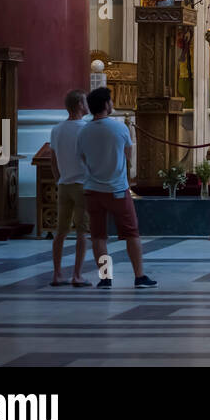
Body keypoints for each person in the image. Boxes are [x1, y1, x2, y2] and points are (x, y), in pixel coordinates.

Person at [78, 87, 156, 289]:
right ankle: (139, 276)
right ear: (106, 104)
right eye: (110, 101)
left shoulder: (84, 130)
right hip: (117, 189)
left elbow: (83, 158)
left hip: (93, 190)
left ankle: (105, 278)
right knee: (131, 233)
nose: (112, 104)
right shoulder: (119, 128)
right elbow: (128, 155)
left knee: (98, 236)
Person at [48, 89, 92, 287]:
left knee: (61, 232)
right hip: (82, 184)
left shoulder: (57, 129)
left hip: (64, 185)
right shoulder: (86, 129)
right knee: (82, 232)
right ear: (80, 106)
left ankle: (57, 274)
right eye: (85, 102)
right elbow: (89, 158)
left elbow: (53, 160)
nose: (88, 105)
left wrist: (59, 179)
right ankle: (77, 275)